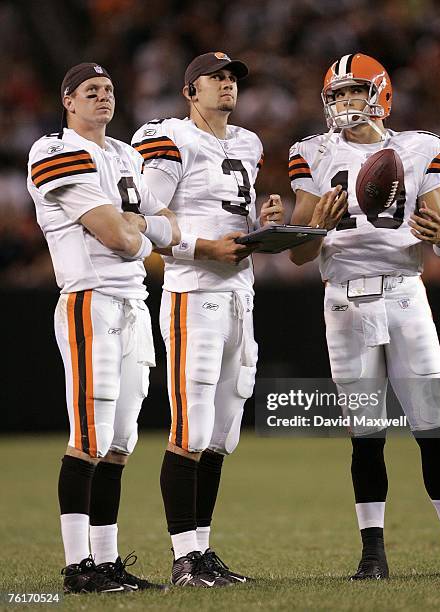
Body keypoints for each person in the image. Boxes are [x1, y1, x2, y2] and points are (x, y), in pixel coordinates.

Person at [288, 53, 440, 580]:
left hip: (405, 295)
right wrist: (316, 225)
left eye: (352, 92)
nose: (342, 102)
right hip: (344, 301)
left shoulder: (420, 148)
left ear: (379, 92)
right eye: (335, 94)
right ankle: (372, 556)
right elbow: (297, 253)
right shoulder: (311, 153)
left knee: (432, 427)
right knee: (366, 433)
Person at [132, 51, 284, 587]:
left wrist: (264, 224)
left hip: (240, 295)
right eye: (214, 78)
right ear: (189, 91)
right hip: (193, 293)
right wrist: (200, 249)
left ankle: (203, 551)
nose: (226, 85)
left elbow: (232, 222)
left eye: (231, 78)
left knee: (222, 433)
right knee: (190, 427)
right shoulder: (166, 135)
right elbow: (143, 220)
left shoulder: (249, 142)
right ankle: (182, 559)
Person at [27, 63, 180, 593]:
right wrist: (140, 232)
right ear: (67, 100)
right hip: (89, 299)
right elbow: (120, 237)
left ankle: (108, 562)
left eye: (110, 89)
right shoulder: (53, 149)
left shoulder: (125, 155)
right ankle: (77, 568)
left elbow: (172, 226)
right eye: (90, 91)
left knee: (120, 441)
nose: (103, 97)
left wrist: (136, 228)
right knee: (88, 437)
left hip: (134, 305)